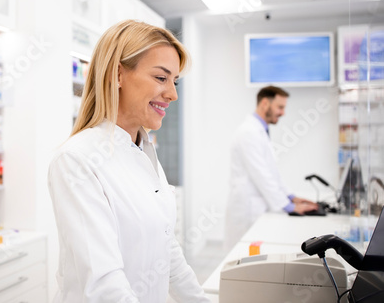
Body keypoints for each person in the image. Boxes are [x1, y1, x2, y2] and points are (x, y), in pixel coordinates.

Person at [47, 20, 210, 303]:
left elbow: (167, 252)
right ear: (118, 74)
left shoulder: (144, 151)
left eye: (175, 81)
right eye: (161, 78)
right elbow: (104, 284)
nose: (173, 94)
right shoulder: (77, 160)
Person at [224, 86, 319, 250]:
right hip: (247, 211)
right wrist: (290, 207)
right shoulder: (248, 132)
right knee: (242, 259)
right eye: (280, 107)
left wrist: (291, 197)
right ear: (265, 103)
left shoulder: (259, 131)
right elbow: (262, 175)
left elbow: (271, 172)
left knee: (253, 258)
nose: (283, 113)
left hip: (256, 207)